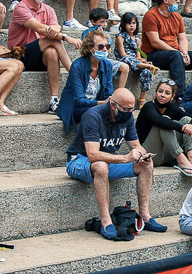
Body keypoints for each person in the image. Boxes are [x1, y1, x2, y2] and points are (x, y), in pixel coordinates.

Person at [65, 88, 165, 240]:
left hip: (107, 161)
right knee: (101, 166)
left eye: (132, 109)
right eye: (126, 109)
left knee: (146, 165)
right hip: (78, 161)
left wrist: (143, 155)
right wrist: (125, 158)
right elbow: (92, 154)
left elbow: (135, 145)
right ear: (113, 105)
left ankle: (145, 216)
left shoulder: (127, 117)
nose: (129, 112)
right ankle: (106, 221)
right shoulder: (93, 116)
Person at [8, 0, 71, 110]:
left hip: (38, 54)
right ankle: (74, 73)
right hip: (19, 54)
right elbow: (41, 29)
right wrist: (66, 37)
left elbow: (55, 27)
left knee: (52, 52)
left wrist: (55, 30)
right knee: (52, 40)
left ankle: (54, 99)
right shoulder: (20, 8)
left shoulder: (48, 9)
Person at [141, 0, 192, 94]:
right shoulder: (151, 15)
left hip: (175, 54)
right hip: (153, 54)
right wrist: (178, 52)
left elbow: (183, 39)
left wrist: (184, 53)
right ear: (165, 0)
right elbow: (155, 42)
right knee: (176, 55)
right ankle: (180, 94)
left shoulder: (177, 16)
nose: (178, 1)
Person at [56, 28, 121, 133]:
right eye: (101, 46)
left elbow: (108, 92)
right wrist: (102, 103)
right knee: (98, 113)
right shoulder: (77, 66)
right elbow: (79, 100)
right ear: (90, 48)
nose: (105, 49)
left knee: (122, 111)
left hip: (97, 105)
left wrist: (111, 101)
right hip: (75, 107)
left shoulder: (107, 65)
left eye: (107, 46)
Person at [138, 77, 192, 175]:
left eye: (167, 93)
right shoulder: (148, 107)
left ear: (172, 96)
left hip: (167, 154)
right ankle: (181, 160)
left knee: (187, 120)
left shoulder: (172, 108)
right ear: (156, 92)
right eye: (160, 91)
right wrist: (182, 129)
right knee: (165, 121)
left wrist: (191, 125)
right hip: (150, 154)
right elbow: (159, 120)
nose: (162, 95)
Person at [114, 11, 157, 102]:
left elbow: (138, 55)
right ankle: (148, 66)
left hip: (135, 63)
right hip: (124, 61)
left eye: (134, 23)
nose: (132, 26)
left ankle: (142, 98)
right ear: (124, 24)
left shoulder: (138, 40)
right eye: (129, 23)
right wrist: (138, 61)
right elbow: (123, 55)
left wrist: (142, 60)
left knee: (146, 72)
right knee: (127, 58)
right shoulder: (120, 37)